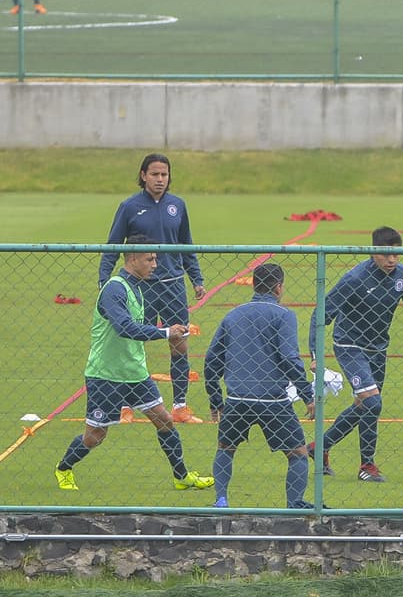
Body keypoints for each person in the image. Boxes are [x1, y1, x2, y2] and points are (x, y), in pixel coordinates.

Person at [54, 235, 214, 493]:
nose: (155, 265)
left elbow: (138, 327)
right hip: (106, 375)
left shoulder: (138, 287)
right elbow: (125, 328)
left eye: (156, 259)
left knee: (165, 420)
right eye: (149, 259)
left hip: (135, 373)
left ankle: (181, 476)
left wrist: (166, 331)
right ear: (132, 259)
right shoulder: (115, 288)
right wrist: (166, 333)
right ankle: (63, 468)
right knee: (95, 436)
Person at [308, 226, 403, 482]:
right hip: (350, 346)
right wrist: (314, 354)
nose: (391, 260)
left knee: (366, 406)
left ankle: (320, 447)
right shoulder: (355, 279)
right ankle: (367, 466)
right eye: (385, 254)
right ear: (373, 251)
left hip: (378, 349)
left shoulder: (402, 275)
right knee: (373, 402)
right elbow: (321, 314)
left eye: (396, 254)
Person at [99, 154, 206, 423]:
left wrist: (196, 278)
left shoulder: (177, 206)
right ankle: (126, 406)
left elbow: (187, 245)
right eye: (155, 174)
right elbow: (113, 244)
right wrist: (103, 279)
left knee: (179, 344)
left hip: (173, 287)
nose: (160, 179)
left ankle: (180, 406)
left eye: (165, 175)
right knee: (133, 345)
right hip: (141, 288)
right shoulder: (129, 206)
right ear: (143, 175)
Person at [205, 263, 317, 510]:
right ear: (279, 287)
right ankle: (294, 504)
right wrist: (307, 394)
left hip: (237, 399)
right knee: (298, 454)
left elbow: (212, 360)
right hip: (273, 400)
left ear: (254, 285)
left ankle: (221, 500)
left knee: (226, 448)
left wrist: (216, 399)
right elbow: (289, 357)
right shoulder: (284, 315)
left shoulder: (233, 315)